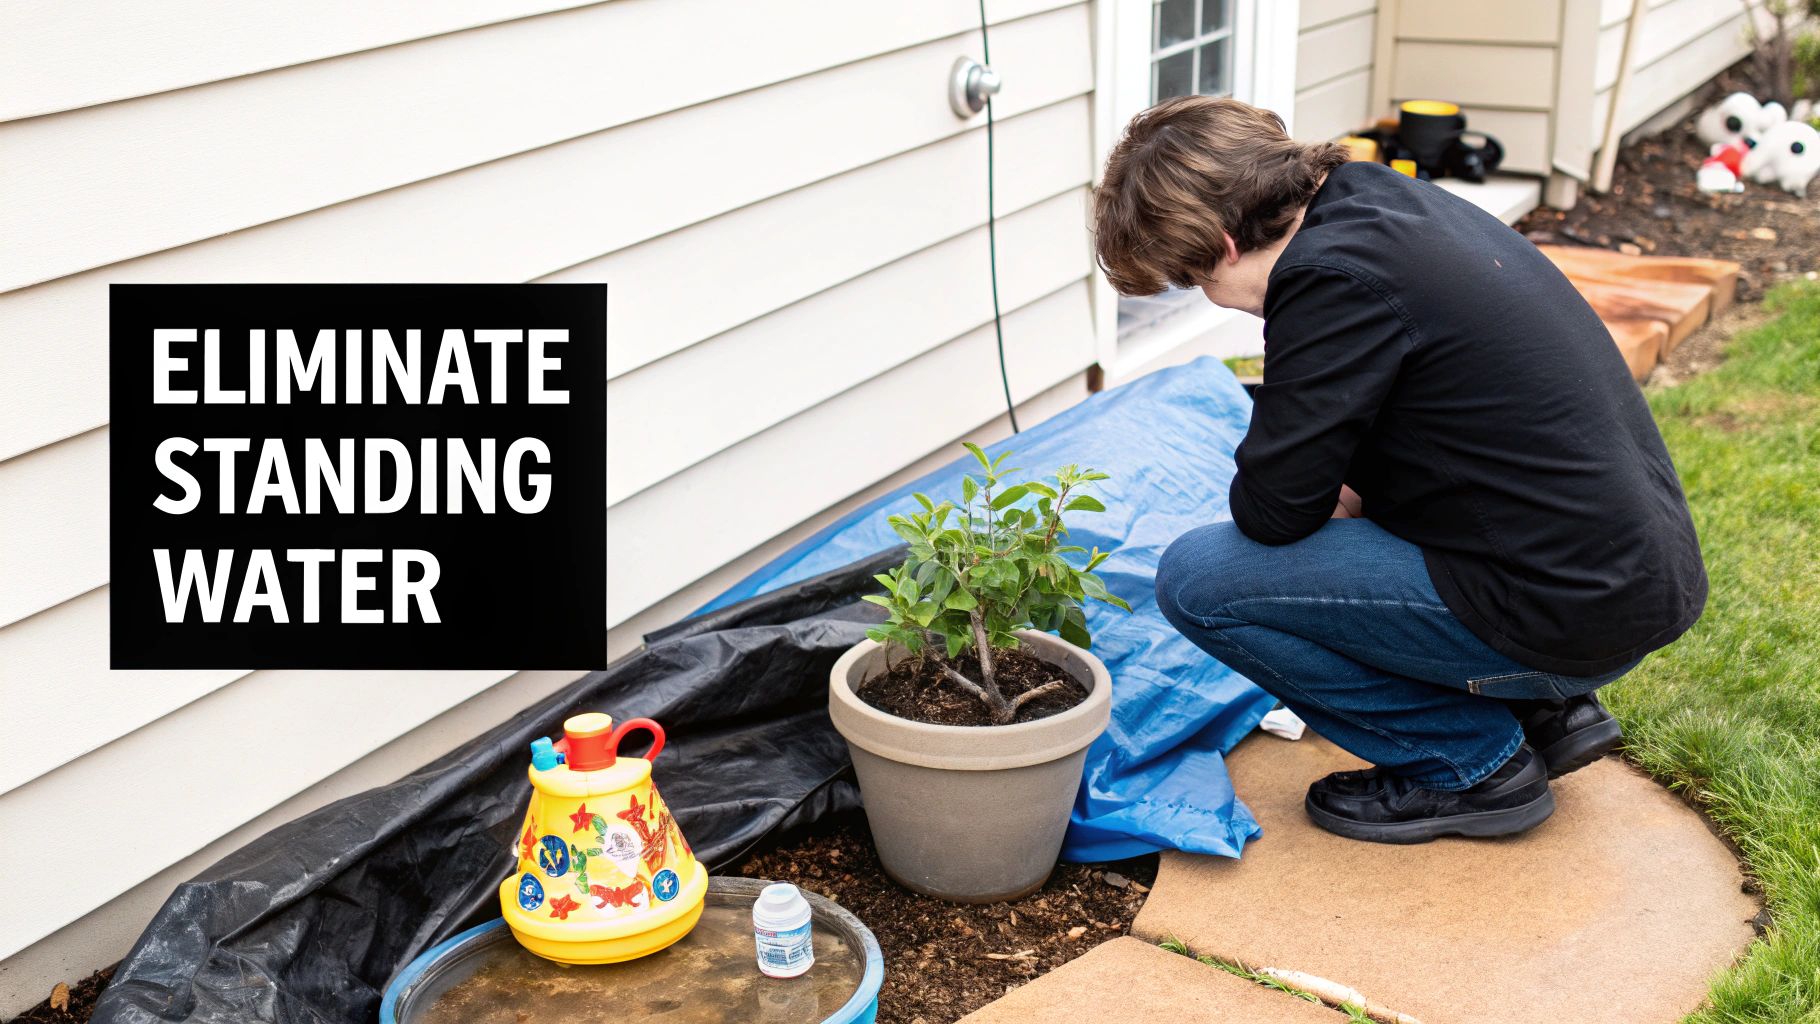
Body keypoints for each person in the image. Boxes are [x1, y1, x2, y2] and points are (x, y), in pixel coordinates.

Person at [1092, 96, 1707, 844]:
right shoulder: (1375, 198)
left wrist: (1325, 484)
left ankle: (1471, 763)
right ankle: (1543, 709)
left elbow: (1272, 511)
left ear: (1221, 245)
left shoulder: (1327, 284)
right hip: (1626, 575)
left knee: (1201, 579)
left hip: (1570, 611)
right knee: (1346, 500)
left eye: (1194, 281)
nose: (1211, 300)